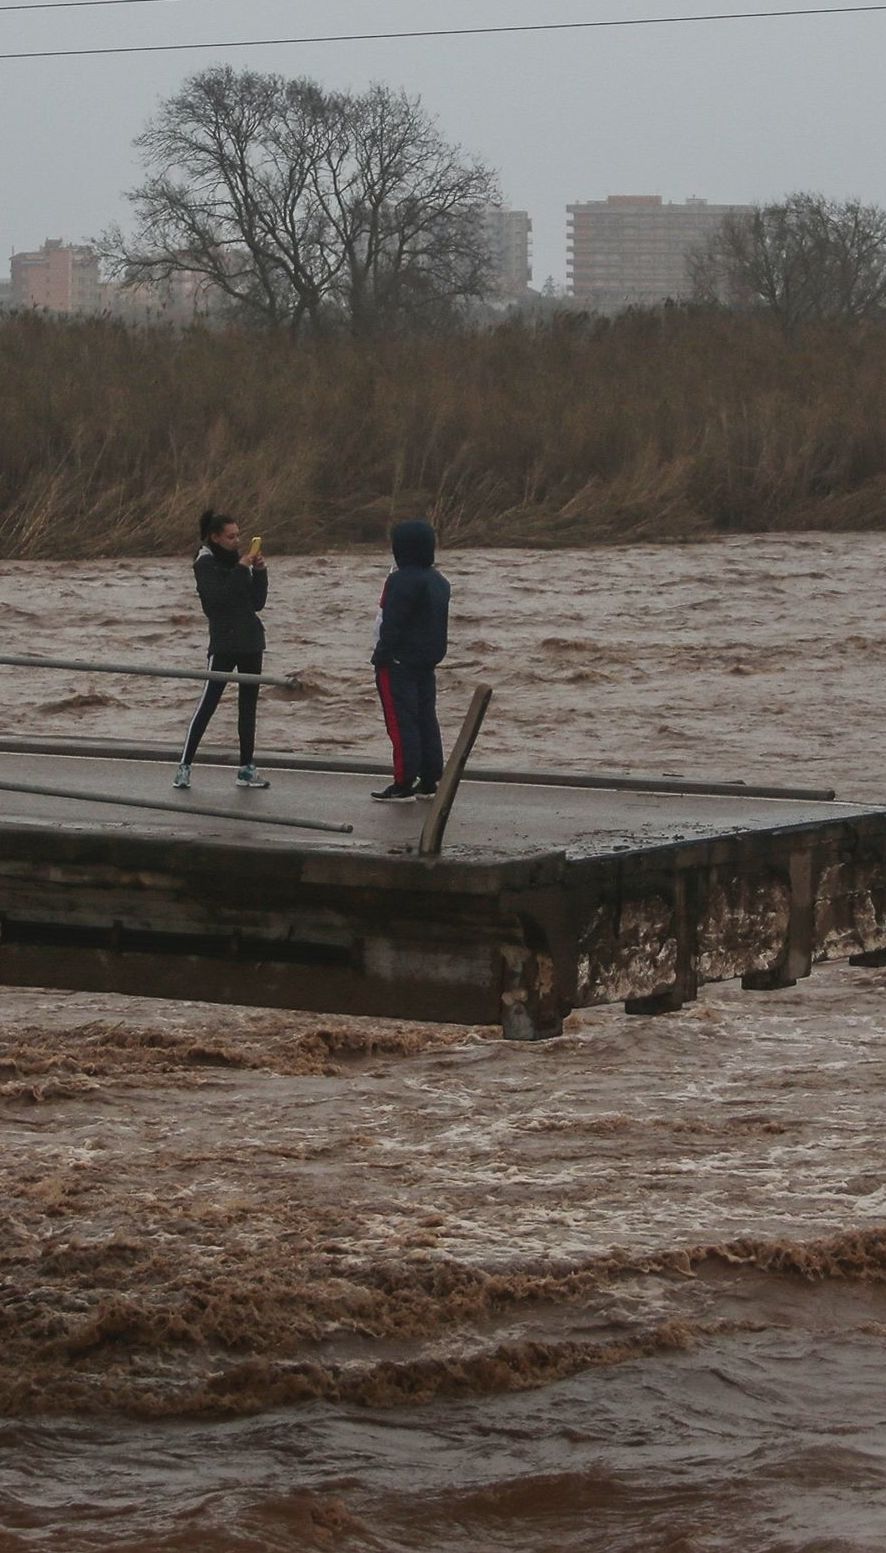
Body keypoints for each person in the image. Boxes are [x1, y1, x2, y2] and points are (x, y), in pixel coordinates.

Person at [173, 509, 270, 791]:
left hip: (251, 641)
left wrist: (260, 572)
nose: (236, 541)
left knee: (248, 707)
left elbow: (256, 602)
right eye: (230, 537)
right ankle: (185, 765)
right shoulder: (205, 564)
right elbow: (218, 599)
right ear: (215, 537)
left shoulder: (238, 563)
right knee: (209, 702)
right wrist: (242, 568)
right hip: (225, 643)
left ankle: (246, 767)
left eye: (238, 536)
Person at [370, 519, 450, 803]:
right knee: (426, 719)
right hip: (426, 663)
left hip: (398, 663)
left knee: (401, 723)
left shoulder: (401, 580)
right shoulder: (439, 581)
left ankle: (403, 782)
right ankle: (430, 778)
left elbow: (392, 623)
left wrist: (381, 655)